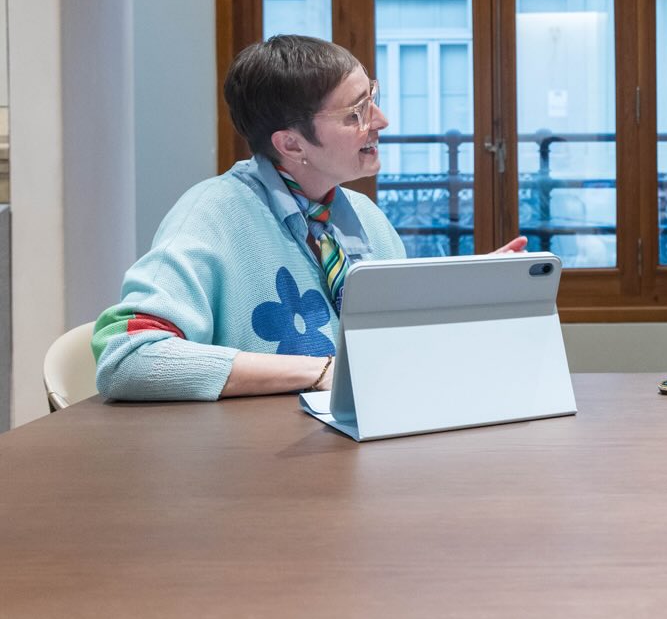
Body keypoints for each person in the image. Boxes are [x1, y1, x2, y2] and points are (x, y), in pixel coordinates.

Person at [94, 35, 525, 400]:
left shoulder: (364, 217)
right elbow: (128, 356)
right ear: (292, 145)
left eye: (372, 99)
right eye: (356, 113)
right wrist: (320, 373)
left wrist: (472, 296)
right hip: (255, 472)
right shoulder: (210, 216)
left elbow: (389, 349)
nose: (381, 121)